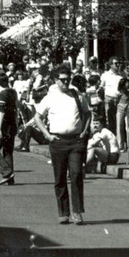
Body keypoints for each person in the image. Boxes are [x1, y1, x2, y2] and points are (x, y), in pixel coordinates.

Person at [32, 65, 91, 225]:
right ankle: (63, 212)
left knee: (76, 174)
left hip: (75, 141)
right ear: (55, 80)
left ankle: (77, 211)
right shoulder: (50, 98)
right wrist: (47, 135)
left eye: (68, 79)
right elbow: (37, 117)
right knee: (60, 177)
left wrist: (84, 131)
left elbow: (87, 113)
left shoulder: (77, 95)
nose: (66, 82)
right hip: (58, 141)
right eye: (62, 80)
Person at [0, 71, 17, 185]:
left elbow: (1, 112)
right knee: (8, 151)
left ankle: (6, 172)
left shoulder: (2, 94)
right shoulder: (12, 92)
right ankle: (10, 178)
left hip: (4, 126)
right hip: (12, 125)